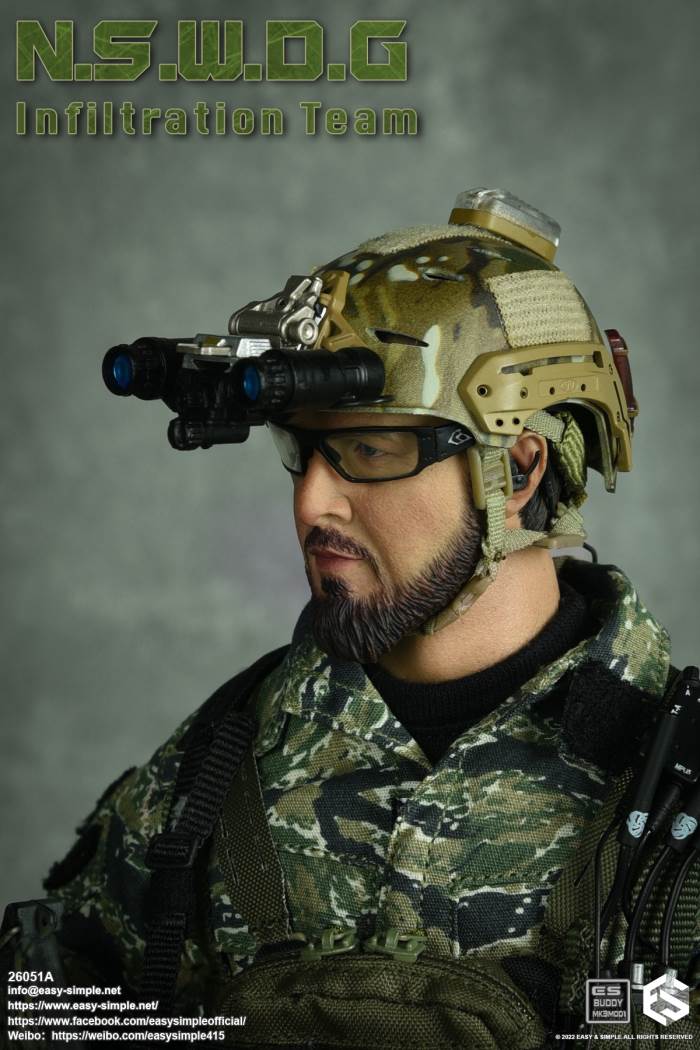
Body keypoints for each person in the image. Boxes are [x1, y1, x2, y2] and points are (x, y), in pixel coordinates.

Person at [2, 189, 698, 1049]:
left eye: (369, 449)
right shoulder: (212, 772)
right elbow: (47, 1011)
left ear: (517, 472)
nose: (311, 503)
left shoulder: (669, 794)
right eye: (302, 450)